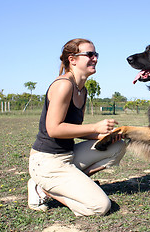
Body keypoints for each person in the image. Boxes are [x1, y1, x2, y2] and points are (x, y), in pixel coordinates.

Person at [28, 38, 126, 217]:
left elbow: (73, 128)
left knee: (116, 146)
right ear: (72, 59)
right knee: (100, 207)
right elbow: (54, 129)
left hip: (68, 155)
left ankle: (72, 183)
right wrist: (95, 126)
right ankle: (44, 188)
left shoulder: (82, 89)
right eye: (89, 54)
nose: (95, 58)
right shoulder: (63, 85)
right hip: (47, 161)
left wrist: (100, 136)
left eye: (96, 54)